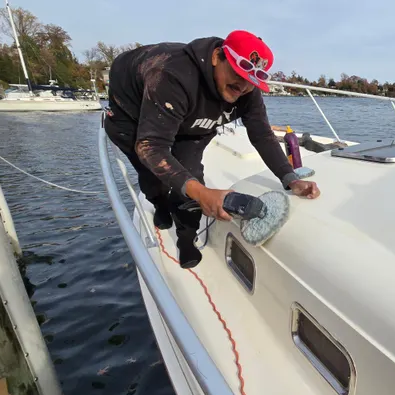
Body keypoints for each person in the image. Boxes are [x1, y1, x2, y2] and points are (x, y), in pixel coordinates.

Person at [104, 30, 320, 268]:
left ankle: (186, 238)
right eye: (238, 74)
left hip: (190, 119)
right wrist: (201, 193)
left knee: (192, 175)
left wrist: (290, 178)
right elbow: (150, 146)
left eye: (251, 81)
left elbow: (262, 134)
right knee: (152, 175)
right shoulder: (171, 74)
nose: (243, 87)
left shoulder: (246, 89)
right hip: (132, 113)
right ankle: (159, 204)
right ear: (218, 56)